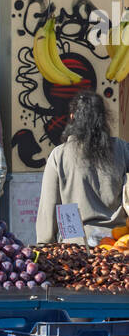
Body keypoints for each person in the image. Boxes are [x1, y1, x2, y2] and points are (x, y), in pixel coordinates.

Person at [36, 91, 129, 243]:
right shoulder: (123, 149)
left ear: (72, 117)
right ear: (103, 118)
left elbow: (49, 206)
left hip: (76, 246)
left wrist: (43, 246)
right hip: (117, 243)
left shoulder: (59, 155)